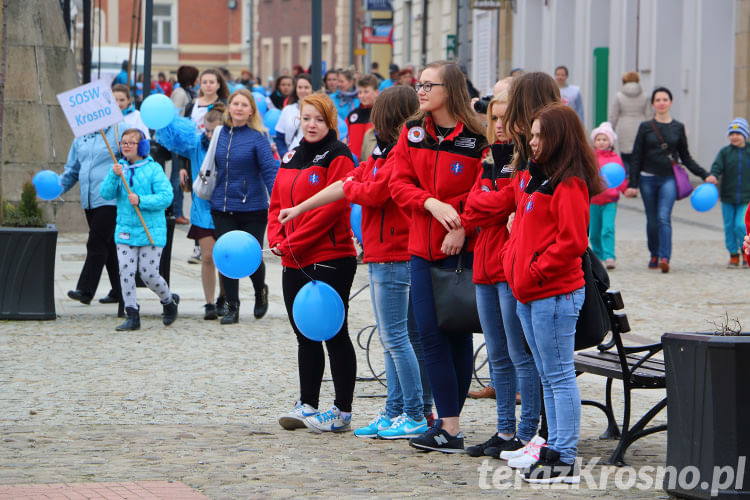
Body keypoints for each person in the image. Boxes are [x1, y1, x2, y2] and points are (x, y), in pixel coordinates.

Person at [276, 85, 434, 438]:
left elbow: (372, 191)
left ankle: (412, 412)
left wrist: (351, 188)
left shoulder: (396, 153)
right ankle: (397, 409)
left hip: (393, 252)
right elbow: (355, 182)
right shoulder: (383, 151)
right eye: (306, 118)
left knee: (397, 338)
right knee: (395, 338)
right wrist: (297, 211)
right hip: (380, 252)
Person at [497, 104, 605, 484]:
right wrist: (514, 262)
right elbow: (523, 228)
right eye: (533, 133)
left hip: (553, 293)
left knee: (558, 376)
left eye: (541, 134)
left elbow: (573, 241)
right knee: (548, 374)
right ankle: (554, 448)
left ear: (559, 137)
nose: (533, 141)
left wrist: (535, 270)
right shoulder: (538, 176)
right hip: (531, 291)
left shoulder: (569, 181)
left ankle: (565, 457)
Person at [389, 61, 487, 453]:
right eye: (420, 85)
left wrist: (464, 224)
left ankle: (450, 425)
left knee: (459, 333)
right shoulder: (412, 133)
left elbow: (488, 190)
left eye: (430, 85)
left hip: (461, 250)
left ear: (453, 90)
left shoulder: (477, 137)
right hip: (421, 249)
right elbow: (398, 183)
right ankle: (449, 423)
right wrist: (429, 202)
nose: (421, 91)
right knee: (429, 334)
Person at [267, 93, 358, 433]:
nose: (312, 125)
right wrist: (276, 236)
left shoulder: (339, 156)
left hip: (329, 255)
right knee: (305, 333)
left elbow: (331, 209)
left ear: (330, 121)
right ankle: (308, 403)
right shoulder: (291, 155)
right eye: (306, 118)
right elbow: (277, 201)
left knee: (333, 332)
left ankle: (342, 410)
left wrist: (292, 241)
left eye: (319, 119)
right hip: (292, 256)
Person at [462, 92, 541, 460]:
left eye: (504, 118)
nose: (497, 126)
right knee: (496, 354)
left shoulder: (525, 160)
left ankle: (526, 432)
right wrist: (490, 203)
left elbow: (509, 201)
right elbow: (472, 208)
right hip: (483, 266)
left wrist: (489, 202)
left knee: (518, 353)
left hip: (509, 268)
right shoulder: (487, 158)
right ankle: (504, 429)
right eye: (492, 119)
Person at [203, 89, 278, 324]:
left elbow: (269, 170)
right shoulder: (219, 134)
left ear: (251, 111)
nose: (238, 108)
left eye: (244, 105)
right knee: (228, 256)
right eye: (235, 103)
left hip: (253, 208)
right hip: (222, 207)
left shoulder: (258, 138)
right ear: (229, 107)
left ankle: (260, 291)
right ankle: (232, 307)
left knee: (251, 256)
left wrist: (278, 199)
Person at [624, 87, 717, 272]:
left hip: (669, 179)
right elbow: (636, 157)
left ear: (671, 103)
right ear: (653, 104)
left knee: (663, 218)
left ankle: (665, 257)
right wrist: (632, 184)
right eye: (658, 100)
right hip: (647, 179)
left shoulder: (678, 127)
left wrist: (705, 174)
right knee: (652, 220)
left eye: (665, 99)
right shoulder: (645, 127)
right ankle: (654, 253)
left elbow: (686, 157)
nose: (661, 103)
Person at [100, 128, 178, 331]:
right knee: (125, 272)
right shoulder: (118, 168)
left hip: (150, 230)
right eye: (123, 142)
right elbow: (106, 194)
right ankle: (132, 314)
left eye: (131, 142)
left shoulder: (154, 170)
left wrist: (142, 200)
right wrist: (113, 176)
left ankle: (168, 301)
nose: (125, 145)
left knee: (148, 273)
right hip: (125, 230)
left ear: (142, 146)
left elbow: (166, 197)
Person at [156, 105, 228, 319]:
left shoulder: (231, 146)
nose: (209, 134)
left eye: (214, 130)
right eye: (206, 130)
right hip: (202, 208)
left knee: (225, 259)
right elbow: (175, 142)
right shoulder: (197, 144)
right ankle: (209, 303)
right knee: (207, 257)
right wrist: (166, 121)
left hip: (226, 208)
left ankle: (225, 297)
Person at [61, 121, 127, 308]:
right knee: (109, 247)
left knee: (96, 242)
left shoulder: (117, 130)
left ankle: (85, 290)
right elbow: (73, 170)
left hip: (110, 198)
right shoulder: (80, 137)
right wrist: (57, 187)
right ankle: (120, 291)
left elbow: (132, 156)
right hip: (89, 200)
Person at [710, 118, 750, 267]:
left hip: (747, 197)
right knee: (729, 226)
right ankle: (733, 254)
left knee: (741, 225)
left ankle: (746, 251)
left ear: (745, 134)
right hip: (727, 196)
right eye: (732, 133)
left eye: (738, 133)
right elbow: (716, 167)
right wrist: (713, 175)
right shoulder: (725, 152)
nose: (734, 136)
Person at [589, 122, 627, 269]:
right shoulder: (590, 157)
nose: (601, 142)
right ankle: (597, 255)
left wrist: (625, 189)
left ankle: (609, 256)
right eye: (598, 139)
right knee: (594, 231)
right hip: (594, 200)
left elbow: (621, 176)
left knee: (608, 228)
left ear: (610, 142)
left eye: (604, 139)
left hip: (610, 199)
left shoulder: (615, 158)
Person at [608, 71, 650, 174]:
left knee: (625, 157)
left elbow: (614, 115)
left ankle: (626, 181)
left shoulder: (619, 96)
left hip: (624, 126)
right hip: (641, 125)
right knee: (639, 156)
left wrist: (610, 129)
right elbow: (649, 115)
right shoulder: (645, 96)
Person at [274, 74, 313, 157]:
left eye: (306, 87)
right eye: (300, 87)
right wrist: (286, 156)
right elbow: (279, 138)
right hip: (290, 159)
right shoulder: (287, 110)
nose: (303, 90)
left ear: (312, 89)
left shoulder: (319, 111)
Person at [345, 75, 378, 162]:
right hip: (353, 163)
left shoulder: (381, 114)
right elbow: (345, 139)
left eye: (366, 92)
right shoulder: (352, 116)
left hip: (372, 163)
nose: (362, 95)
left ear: (376, 92)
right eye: (360, 92)